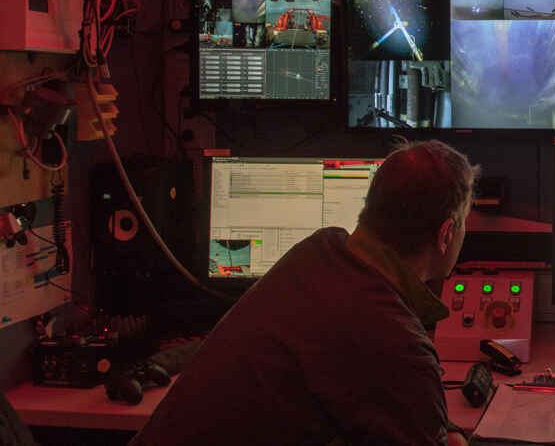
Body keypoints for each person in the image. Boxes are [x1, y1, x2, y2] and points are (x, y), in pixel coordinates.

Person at [131, 139, 478, 446]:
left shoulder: (317, 251)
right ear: (446, 234)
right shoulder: (397, 342)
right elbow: (390, 370)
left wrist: (436, 423)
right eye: (464, 221)